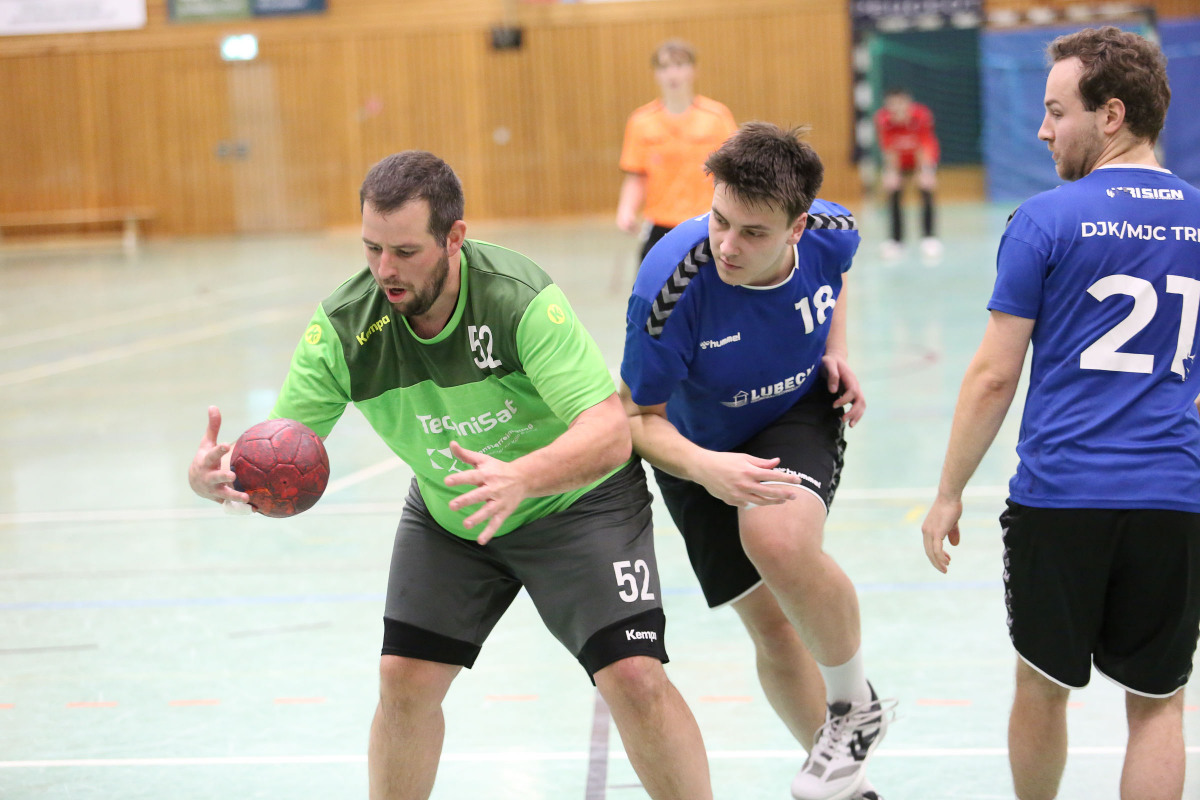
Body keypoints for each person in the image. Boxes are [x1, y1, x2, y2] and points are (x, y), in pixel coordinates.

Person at [187, 151, 714, 800]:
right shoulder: (346, 329)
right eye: (372, 248)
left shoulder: (517, 299)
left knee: (634, 676)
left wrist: (522, 477)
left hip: (577, 504)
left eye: (405, 251)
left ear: (454, 237)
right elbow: (283, 448)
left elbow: (609, 431)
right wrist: (221, 477)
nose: (385, 269)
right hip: (453, 516)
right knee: (403, 679)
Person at [922, 27, 1200, 800]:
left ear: (1111, 115)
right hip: (1174, 498)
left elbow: (993, 377)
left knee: (1043, 687)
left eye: (1056, 111)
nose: (1043, 130)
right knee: (1159, 705)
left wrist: (948, 492)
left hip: (1062, 496)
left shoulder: (1046, 219)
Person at [621, 122, 891, 800]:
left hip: (792, 412)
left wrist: (836, 348)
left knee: (773, 537)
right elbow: (637, 419)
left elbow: (836, 275)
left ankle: (856, 705)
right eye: (720, 221)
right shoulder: (668, 285)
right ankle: (848, 785)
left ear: (797, 227)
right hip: (691, 449)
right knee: (772, 626)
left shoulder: (832, 229)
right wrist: (707, 469)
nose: (727, 245)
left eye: (753, 232)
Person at [617, 38, 738, 263]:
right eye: (664, 67)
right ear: (656, 74)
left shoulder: (717, 117)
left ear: (693, 70)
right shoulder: (641, 121)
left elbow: (734, 172)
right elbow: (636, 175)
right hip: (660, 225)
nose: (672, 74)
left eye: (680, 65)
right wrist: (626, 210)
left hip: (707, 222)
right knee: (651, 282)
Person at [874, 87, 941, 261]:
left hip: (920, 158)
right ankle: (896, 241)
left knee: (926, 189)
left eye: (900, 104)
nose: (897, 109)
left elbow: (925, 145)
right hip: (899, 160)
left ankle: (929, 238)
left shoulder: (922, 116)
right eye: (892, 105)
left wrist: (925, 171)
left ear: (908, 104)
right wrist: (891, 172)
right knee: (893, 190)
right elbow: (888, 149)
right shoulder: (883, 119)